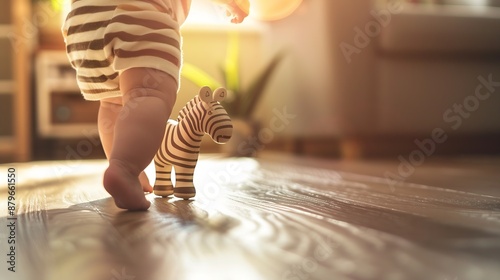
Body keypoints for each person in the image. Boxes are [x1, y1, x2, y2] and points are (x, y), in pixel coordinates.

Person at [62, 0, 249, 210]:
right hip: (139, 15)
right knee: (149, 95)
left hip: (84, 25)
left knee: (113, 102)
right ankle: (125, 167)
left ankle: (126, 166)